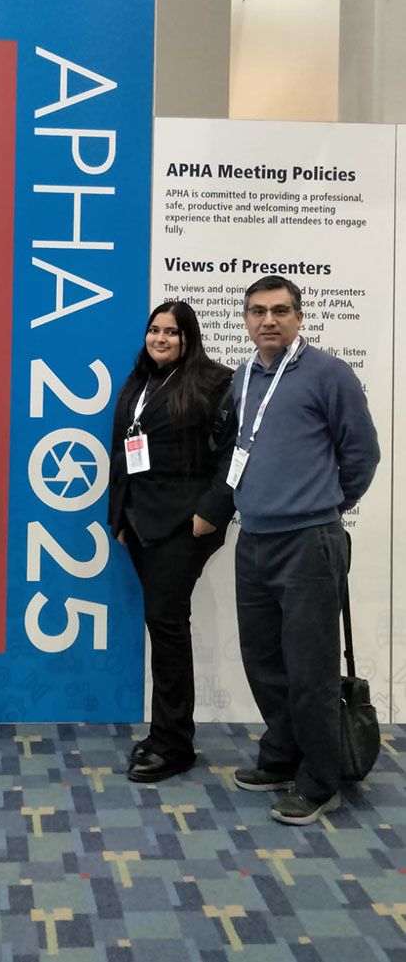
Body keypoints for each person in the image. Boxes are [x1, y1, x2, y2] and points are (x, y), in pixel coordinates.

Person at [230, 276, 380, 825]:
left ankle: (321, 781)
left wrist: (326, 506)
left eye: (279, 311)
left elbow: (362, 453)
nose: (267, 320)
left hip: (309, 542)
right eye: (256, 312)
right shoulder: (242, 379)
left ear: (298, 317)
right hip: (254, 540)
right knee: (264, 659)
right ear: (244, 320)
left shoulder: (329, 373)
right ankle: (282, 754)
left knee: (310, 668)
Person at [108, 301, 236, 783]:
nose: (160, 338)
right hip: (140, 523)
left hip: (184, 524)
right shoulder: (140, 380)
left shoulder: (212, 382)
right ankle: (167, 732)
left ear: (189, 338)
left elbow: (233, 453)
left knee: (167, 625)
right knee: (163, 625)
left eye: (172, 332)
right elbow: (121, 452)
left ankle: (175, 745)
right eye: (154, 330)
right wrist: (118, 516)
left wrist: (211, 511)